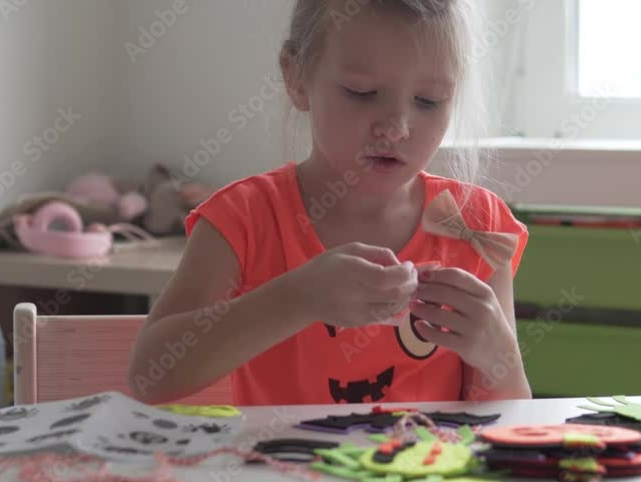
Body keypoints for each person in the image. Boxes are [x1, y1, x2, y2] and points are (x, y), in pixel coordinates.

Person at [129, 0, 531, 405]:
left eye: (428, 100)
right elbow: (150, 376)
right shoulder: (244, 218)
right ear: (296, 77)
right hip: (278, 450)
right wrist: (297, 297)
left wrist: (498, 353)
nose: (396, 127)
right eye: (362, 93)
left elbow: (512, 416)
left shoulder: (477, 223)